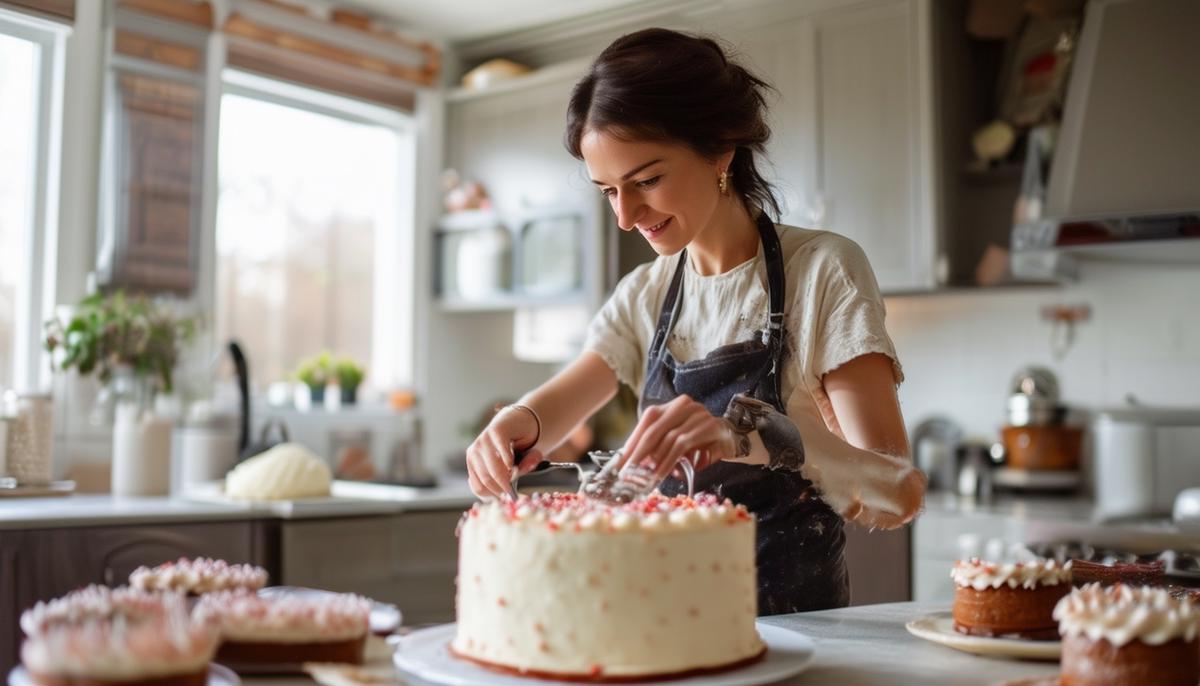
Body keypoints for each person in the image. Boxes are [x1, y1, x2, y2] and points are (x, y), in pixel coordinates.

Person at [466, 27, 926, 614]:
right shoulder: (646, 293)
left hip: (797, 634)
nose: (627, 217)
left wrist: (754, 435)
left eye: (647, 181)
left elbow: (896, 492)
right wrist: (517, 421)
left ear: (720, 150)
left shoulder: (823, 271)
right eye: (608, 191)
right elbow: (560, 402)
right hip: (659, 626)